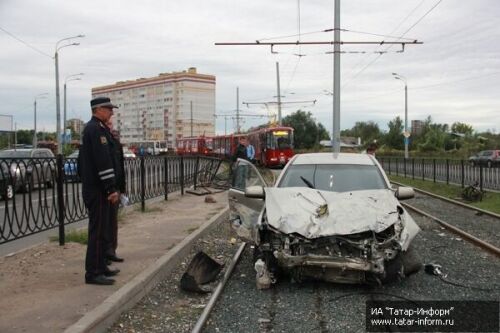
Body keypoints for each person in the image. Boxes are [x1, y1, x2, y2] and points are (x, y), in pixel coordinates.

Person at [79, 97, 120, 285]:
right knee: (97, 231)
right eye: (109, 109)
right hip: (97, 190)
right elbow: (102, 161)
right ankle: (93, 272)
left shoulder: (98, 128)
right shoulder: (95, 130)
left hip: (97, 188)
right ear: (98, 110)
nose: (111, 112)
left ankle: (101, 266)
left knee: (103, 230)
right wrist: (110, 188)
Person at [105, 120, 126, 264]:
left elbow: (120, 168)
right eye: (107, 123)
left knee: (113, 222)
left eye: (111, 125)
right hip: (104, 189)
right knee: (103, 224)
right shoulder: (99, 142)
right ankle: (103, 254)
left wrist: (122, 189)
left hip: (115, 188)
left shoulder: (116, 144)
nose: (110, 126)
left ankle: (111, 250)